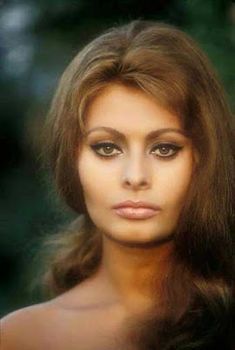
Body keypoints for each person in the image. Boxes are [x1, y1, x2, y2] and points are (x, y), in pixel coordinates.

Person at [1, 19, 234, 350]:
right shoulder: (19, 338)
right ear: (72, 161)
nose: (136, 176)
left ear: (203, 159)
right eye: (107, 148)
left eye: (164, 148)